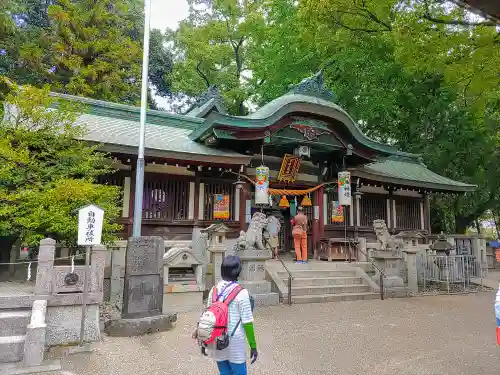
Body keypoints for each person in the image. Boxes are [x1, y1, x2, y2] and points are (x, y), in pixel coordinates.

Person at [204, 255, 258, 375]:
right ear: (238, 271)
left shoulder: (213, 290)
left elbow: (208, 316)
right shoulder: (242, 293)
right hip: (235, 341)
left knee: (224, 372)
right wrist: (253, 346)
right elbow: (247, 323)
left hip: (217, 339)